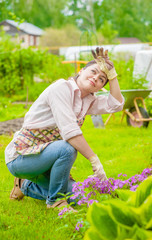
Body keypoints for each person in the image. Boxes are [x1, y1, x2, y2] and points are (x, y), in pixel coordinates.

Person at [5, 48, 124, 211]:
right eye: (93, 72)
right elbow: (70, 132)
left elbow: (116, 104)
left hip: (47, 158)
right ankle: (55, 202)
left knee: (80, 196)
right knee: (68, 149)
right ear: (81, 71)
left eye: (102, 79)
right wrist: (95, 161)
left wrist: (112, 74)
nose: (96, 78)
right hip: (21, 157)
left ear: (100, 87)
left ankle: (24, 185)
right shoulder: (61, 88)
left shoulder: (88, 100)